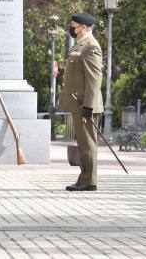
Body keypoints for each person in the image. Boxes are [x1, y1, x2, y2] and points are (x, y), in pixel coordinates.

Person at [57, 13, 104, 192]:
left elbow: (94, 78)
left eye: (74, 25)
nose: (72, 28)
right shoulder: (80, 45)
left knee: (87, 143)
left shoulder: (91, 46)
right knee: (83, 143)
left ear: (83, 27)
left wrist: (89, 105)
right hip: (79, 102)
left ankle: (89, 180)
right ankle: (85, 178)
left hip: (85, 103)